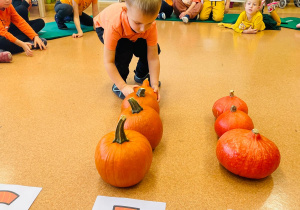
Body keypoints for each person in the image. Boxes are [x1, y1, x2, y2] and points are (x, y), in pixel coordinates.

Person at [93, 0, 162, 101]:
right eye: (138, 23)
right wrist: (123, 86)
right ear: (125, 11)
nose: (143, 29)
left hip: (128, 31)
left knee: (153, 49)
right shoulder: (114, 25)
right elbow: (108, 61)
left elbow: (153, 58)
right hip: (103, 27)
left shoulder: (149, 26)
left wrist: (154, 83)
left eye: (149, 23)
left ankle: (140, 74)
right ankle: (118, 85)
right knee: (123, 50)